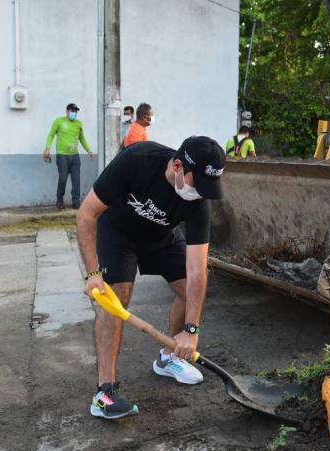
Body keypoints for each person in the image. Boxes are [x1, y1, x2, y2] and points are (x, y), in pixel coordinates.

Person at [77, 137, 226, 419]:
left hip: (161, 237)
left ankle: (169, 357)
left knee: (188, 288)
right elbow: (87, 214)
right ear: (178, 166)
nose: (201, 193)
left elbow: (197, 269)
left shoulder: (198, 202)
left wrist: (191, 330)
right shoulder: (138, 160)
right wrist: (94, 273)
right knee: (116, 298)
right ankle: (104, 392)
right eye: (199, 184)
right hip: (117, 232)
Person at [44, 103, 94, 209]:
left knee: (76, 180)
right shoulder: (59, 121)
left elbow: (82, 138)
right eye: (72, 111)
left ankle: (76, 201)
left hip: (75, 156)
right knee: (62, 178)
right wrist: (48, 148)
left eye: (75, 111)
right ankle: (59, 201)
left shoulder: (78, 124)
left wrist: (88, 149)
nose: (74, 113)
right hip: (62, 155)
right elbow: (51, 134)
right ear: (67, 111)